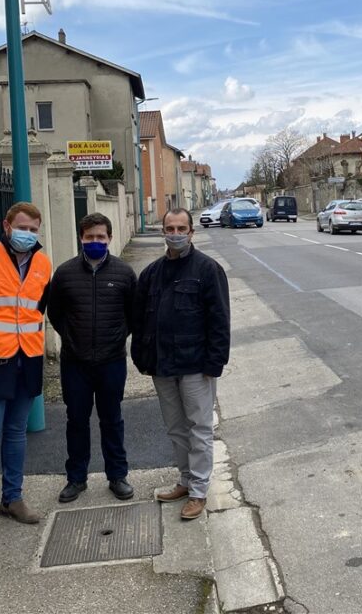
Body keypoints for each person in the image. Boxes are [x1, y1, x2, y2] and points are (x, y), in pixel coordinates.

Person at [132, 208, 230, 521]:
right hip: (162, 366)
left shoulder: (208, 269)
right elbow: (141, 321)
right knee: (175, 430)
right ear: (163, 231)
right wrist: (142, 358)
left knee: (199, 429)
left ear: (191, 232)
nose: (175, 233)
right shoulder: (151, 273)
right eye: (170, 228)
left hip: (195, 366)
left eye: (181, 228)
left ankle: (199, 491)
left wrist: (214, 363)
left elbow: (219, 320)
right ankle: (185, 480)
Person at [0, 202, 52, 545]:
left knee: (17, 434)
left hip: (28, 360)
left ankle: (13, 499)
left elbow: (39, 310)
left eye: (33, 230)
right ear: (6, 225)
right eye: (22, 227)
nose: (27, 234)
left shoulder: (43, 263)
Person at [48, 213, 136, 503]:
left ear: (109, 238)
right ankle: (76, 478)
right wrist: (73, 338)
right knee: (76, 420)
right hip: (76, 363)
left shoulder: (124, 273)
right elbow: (56, 313)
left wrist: (115, 338)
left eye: (100, 237)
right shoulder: (64, 273)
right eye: (89, 237)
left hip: (111, 361)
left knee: (112, 419)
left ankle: (117, 476)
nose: (95, 242)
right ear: (81, 239)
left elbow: (132, 315)